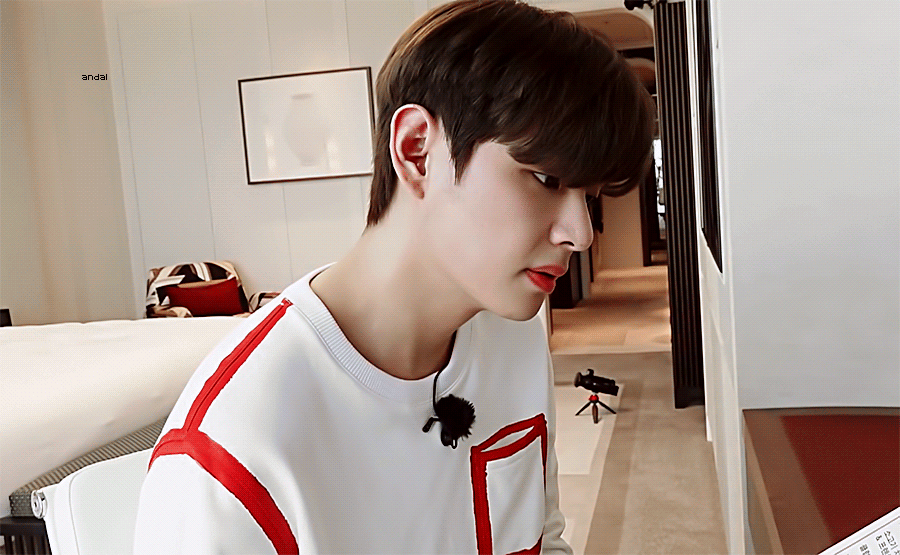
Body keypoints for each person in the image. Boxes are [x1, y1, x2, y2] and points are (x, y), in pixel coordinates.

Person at [132, 0, 653, 552]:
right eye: (546, 179)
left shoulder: (512, 332)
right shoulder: (231, 447)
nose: (580, 232)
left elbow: (541, 538)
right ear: (417, 151)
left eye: (590, 196)